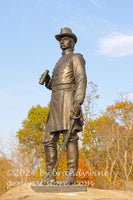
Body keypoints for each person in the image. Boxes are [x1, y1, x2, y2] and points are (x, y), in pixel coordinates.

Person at [41, 27, 87, 185]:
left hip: (68, 99)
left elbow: (81, 79)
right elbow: (55, 85)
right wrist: (48, 81)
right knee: (48, 140)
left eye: (65, 38)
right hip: (55, 102)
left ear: (72, 42)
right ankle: (50, 175)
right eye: (60, 39)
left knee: (70, 138)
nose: (62, 41)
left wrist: (77, 101)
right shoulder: (59, 61)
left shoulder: (76, 57)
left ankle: (71, 176)